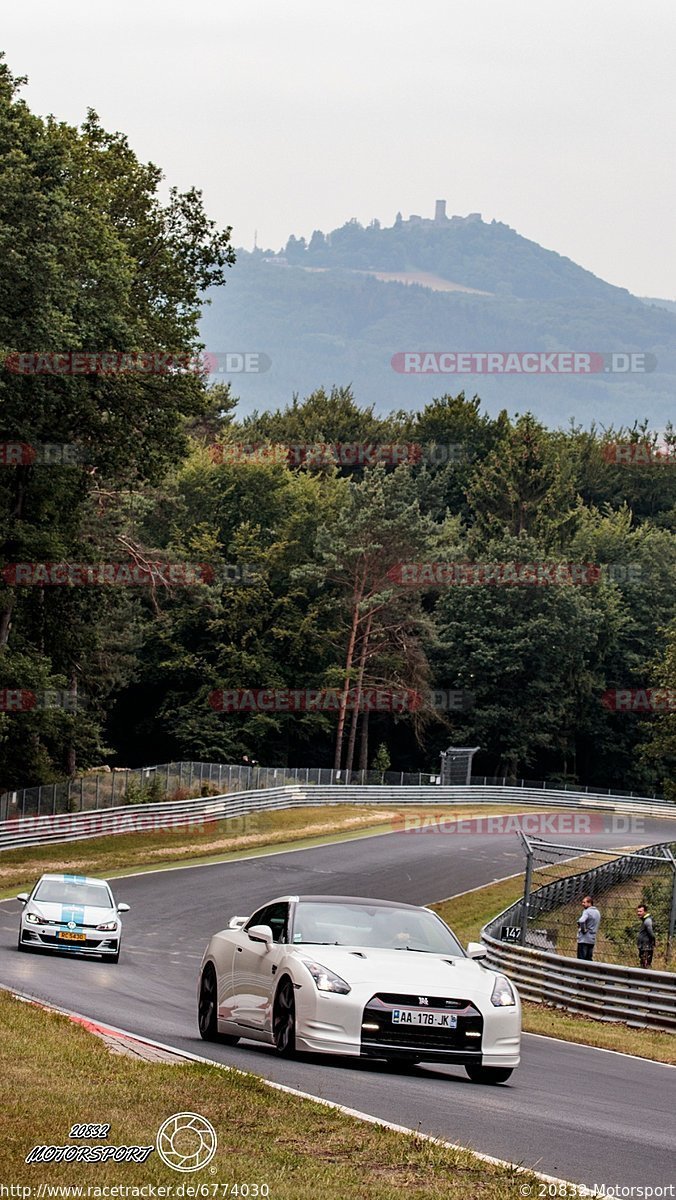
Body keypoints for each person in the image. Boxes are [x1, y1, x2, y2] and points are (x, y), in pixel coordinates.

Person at [576, 895, 601, 960]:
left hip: (584, 939)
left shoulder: (587, 911)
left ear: (589, 903)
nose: (582, 904)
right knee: (589, 959)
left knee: (581, 959)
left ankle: (580, 970)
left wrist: (583, 929)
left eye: (584, 902)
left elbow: (581, 921)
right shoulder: (597, 912)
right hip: (592, 939)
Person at [636, 904, 656, 969]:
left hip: (646, 947)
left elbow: (651, 933)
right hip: (643, 946)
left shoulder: (647, 920)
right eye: (638, 911)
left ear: (645, 911)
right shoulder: (645, 920)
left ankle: (645, 977)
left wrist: (654, 940)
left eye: (640, 911)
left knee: (645, 965)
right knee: (643, 964)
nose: (638, 913)